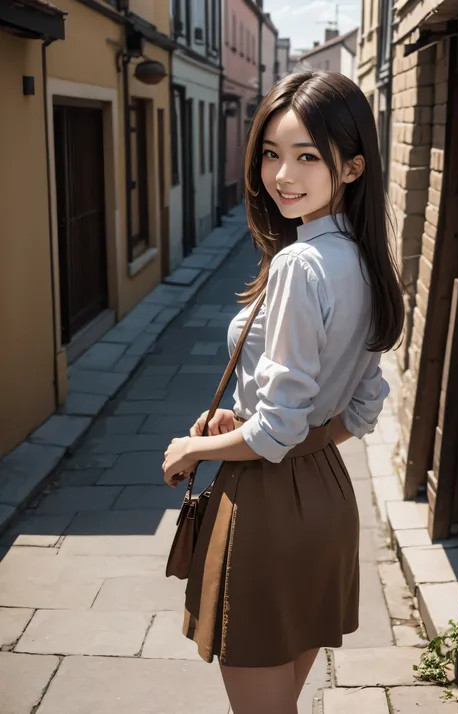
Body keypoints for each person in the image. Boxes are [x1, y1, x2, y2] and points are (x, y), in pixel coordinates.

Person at [162, 70, 404, 714]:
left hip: (268, 509)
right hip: (326, 494)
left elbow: (276, 434)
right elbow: (362, 404)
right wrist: (249, 423)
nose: (281, 176)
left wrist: (191, 449)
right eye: (271, 154)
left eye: (305, 157)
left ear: (351, 167)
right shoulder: (364, 256)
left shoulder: (300, 263)